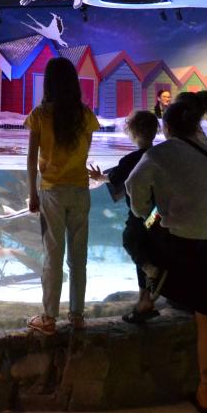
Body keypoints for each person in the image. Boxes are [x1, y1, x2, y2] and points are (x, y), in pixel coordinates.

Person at [126, 98, 207, 413]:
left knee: (135, 233)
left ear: (166, 127)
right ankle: (205, 391)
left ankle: (153, 289)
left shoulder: (158, 153)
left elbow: (133, 184)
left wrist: (146, 213)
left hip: (189, 237)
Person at [25, 57, 101, 335]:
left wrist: (32, 193)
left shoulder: (39, 115)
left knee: (53, 255)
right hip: (80, 190)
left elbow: (31, 158)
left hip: (52, 191)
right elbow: (86, 150)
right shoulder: (85, 114)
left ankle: (49, 318)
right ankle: (77, 316)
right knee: (79, 256)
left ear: (48, 82)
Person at [89, 110, 165, 323]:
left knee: (130, 240)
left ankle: (150, 274)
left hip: (141, 214)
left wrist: (99, 177)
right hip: (159, 214)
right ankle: (145, 301)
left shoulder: (131, 159)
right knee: (146, 251)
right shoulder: (161, 156)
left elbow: (115, 178)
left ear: (131, 132)